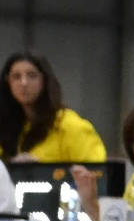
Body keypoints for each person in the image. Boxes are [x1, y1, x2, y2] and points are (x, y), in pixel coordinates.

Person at [3, 52, 108, 211]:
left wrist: (43, 172)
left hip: (62, 218)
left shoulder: (71, 126)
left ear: (44, 81)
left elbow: (99, 176)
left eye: (32, 75)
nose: (24, 83)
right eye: (16, 77)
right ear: (7, 83)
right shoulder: (7, 129)